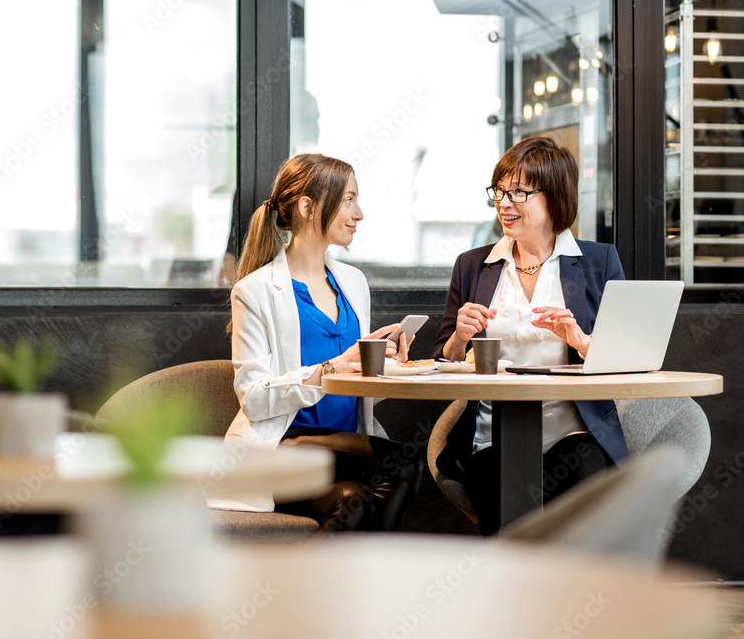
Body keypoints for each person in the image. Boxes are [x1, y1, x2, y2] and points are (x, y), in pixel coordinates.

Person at [211, 153, 422, 532]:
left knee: (360, 499)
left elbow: (359, 386)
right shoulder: (254, 290)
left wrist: (386, 365)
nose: (359, 214)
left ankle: (336, 585)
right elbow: (255, 397)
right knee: (400, 466)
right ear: (307, 207)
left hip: (345, 445)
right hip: (284, 445)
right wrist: (332, 368)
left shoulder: (353, 282)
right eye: (348, 199)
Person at [432, 135, 628, 535]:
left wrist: (580, 340)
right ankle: (514, 594)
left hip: (573, 434)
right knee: (509, 493)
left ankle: (573, 595)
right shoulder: (473, 266)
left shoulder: (597, 261)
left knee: (585, 481)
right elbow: (441, 364)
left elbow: (627, 363)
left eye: (519, 192)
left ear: (554, 197)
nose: (504, 203)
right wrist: (458, 338)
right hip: (492, 440)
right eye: (500, 191)